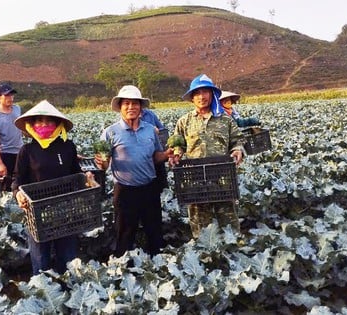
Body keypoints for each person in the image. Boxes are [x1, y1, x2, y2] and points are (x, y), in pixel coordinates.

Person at [12, 100, 94, 275]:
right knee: (41, 260)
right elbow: (17, 180)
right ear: (31, 125)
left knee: (68, 258)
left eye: (49, 121)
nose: (44, 125)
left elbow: (75, 173)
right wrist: (18, 193)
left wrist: (86, 177)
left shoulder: (67, 147)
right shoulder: (27, 150)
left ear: (58, 125)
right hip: (37, 213)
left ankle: (69, 292)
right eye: (39, 121)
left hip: (66, 210)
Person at [95, 85, 173, 257]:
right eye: (127, 104)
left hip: (149, 188)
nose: (131, 107)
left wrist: (167, 154)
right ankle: (124, 269)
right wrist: (102, 163)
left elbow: (155, 157)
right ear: (120, 107)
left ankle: (158, 265)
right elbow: (104, 165)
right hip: (125, 191)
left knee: (154, 231)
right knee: (124, 234)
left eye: (135, 103)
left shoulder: (150, 130)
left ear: (140, 107)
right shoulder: (110, 133)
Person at [171, 74, 246, 237]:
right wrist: (176, 153)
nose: (201, 96)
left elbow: (238, 140)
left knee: (229, 220)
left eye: (205, 92)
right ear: (192, 98)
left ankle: (232, 252)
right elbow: (178, 144)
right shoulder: (184, 121)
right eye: (197, 93)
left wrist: (238, 150)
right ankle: (205, 255)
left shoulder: (225, 120)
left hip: (223, 177)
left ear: (212, 94)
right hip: (196, 177)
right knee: (200, 225)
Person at [0, 83, 24, 191]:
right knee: (7, 188)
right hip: (6, 155)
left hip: (20, 153)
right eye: (7, 95)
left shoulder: (17, 109)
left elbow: (22, 129)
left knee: (21, 185)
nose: (11, 98)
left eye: (12, 95)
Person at [141, 108, 169, 191]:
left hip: (156, 153)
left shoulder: (149, 114)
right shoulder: (128, 117)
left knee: (161, 183)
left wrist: (156, 130)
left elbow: (161, 129)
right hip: (141, 158)